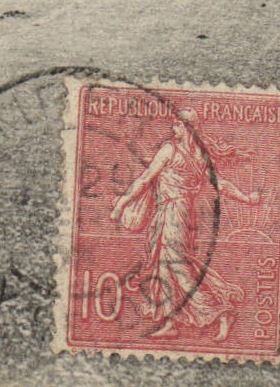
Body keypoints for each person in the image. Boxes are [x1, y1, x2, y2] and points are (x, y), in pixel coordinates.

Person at [109, 109, 262, 341]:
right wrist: (245, 197)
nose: (174, 129)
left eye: (178, 125)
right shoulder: (200, 155)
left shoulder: (171, 150)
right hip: (182, 214)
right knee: (165, 267)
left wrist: (122, 203)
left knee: (178, 267)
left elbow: (145, 179)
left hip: (173, 213)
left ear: (187, 127)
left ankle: (219, 313)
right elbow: (220, 183)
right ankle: (171, 321)